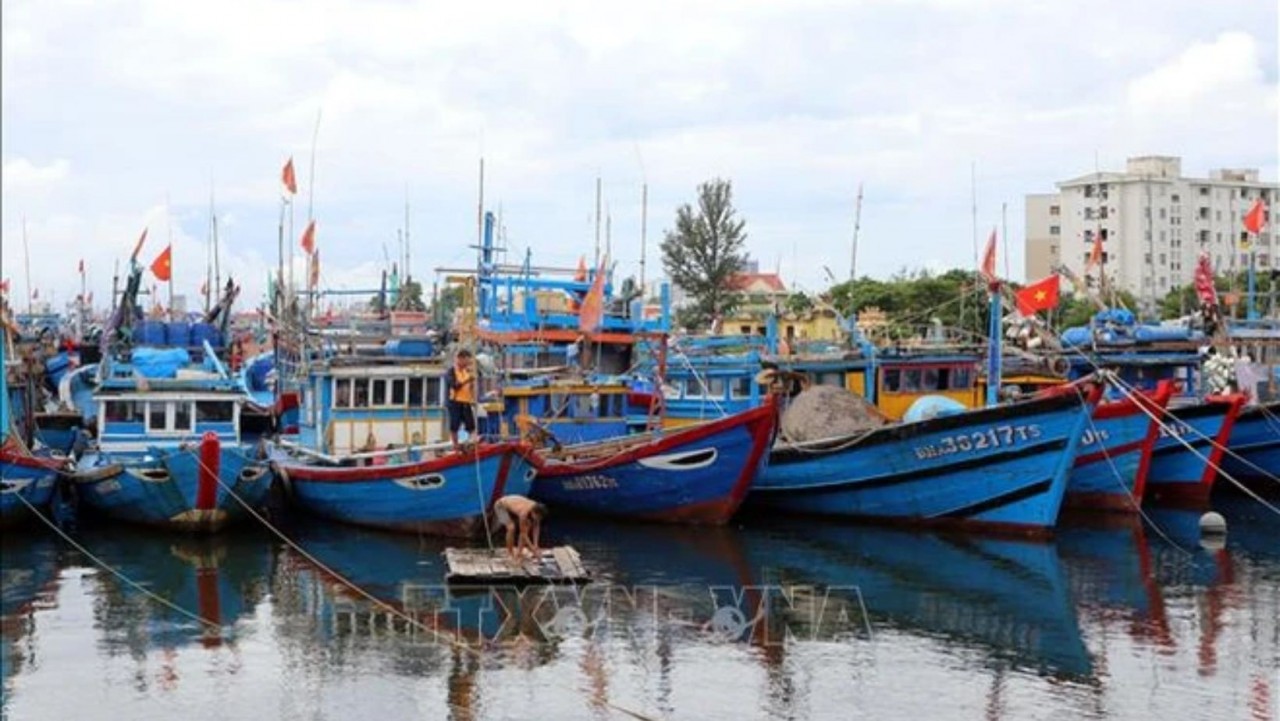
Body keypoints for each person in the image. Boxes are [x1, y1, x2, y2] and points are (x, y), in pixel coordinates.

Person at [492, 495, 547, 561]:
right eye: (537, 518)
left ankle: (519, 553)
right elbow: (523, 534)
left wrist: (536, 545)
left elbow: (536, 527)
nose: (538, 520)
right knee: (511, 528)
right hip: (500, 506)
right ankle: (510, 553)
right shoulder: (523, 513)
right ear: (533, 513)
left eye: (539, 518)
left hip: (513, 507)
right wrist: (532, 549)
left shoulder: (537, 508)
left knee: (527, 527)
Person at [445, 349, 478, 451]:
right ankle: (455, 445)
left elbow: (469, 388)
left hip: (465, 401)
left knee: (470, 424)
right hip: (455, 402)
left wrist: (471, 387)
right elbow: (454, 386)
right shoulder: (451, 372)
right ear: (460, 359)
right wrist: (466, 380)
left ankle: (471, 443)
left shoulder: (466, 371)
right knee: (454, 425)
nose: (468, 363)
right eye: (467, 360)